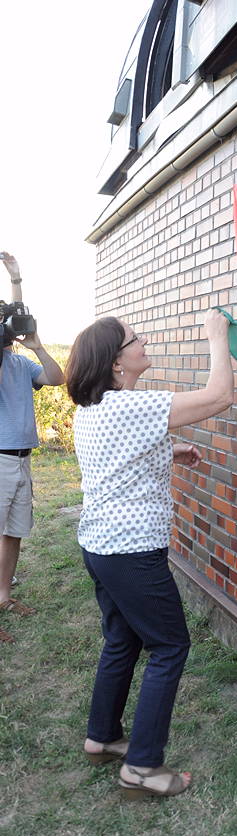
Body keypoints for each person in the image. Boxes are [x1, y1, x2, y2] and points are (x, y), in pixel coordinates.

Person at [65, 309, 233, 799]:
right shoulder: (129, 408)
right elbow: (218, 397)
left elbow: (119, 456)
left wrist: (169, 451)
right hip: (132, 552)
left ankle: (103, 736)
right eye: (135, 340)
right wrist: (217, 337)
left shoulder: (98, 408)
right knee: (170, 646)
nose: (144, 343)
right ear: (117, 363)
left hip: (100, 546)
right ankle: (141, 769)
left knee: (122, 640)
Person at [0, 252, 64, 643]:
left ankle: (4, 597)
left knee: (13, 533)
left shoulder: (23, 366)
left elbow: (58, 378)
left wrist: (37, 346)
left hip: (22, 460)